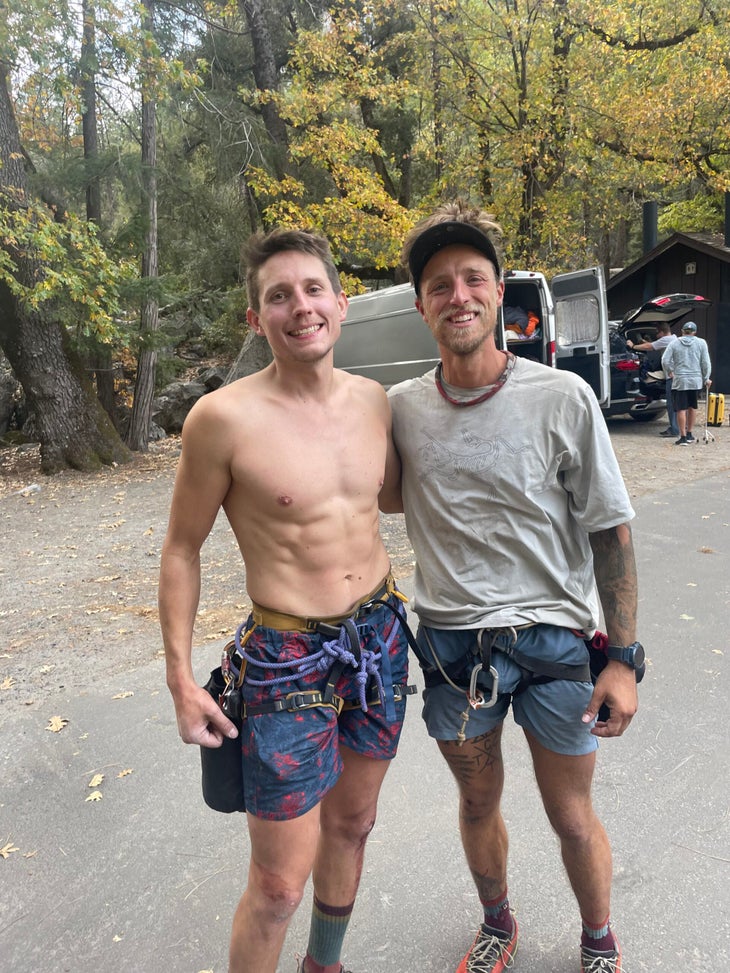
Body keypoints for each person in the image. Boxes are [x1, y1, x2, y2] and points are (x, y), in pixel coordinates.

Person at [380, 200, 641, 973]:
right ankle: (499, 921)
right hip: (454, 648)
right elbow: (362, 491)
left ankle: (599, 939)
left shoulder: (562, 397)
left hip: (556, 643)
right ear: (422, 304)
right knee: (476, 802)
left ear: (499, 294)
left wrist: (623, 657)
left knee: (569, 811)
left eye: (472, 279)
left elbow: (610, 531)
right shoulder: (397, 410)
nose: (456, 295)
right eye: (438, 284)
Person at [159, 228, 411, 973]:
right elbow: (181, 547)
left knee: (356, 824)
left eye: (311, 289)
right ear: (255, 318)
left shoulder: (375, 403)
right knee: (275, 885)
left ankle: (323, 964)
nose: (299, 307)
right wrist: (179, 679)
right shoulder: (222, 419)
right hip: (286, 660)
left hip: (380, 638)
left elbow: (394, 499)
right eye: (278, 296)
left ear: (341, 300)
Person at [661, 320, 712, 446]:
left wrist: (670, 371)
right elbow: (706, 362)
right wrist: (706, 378)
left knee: (680, 409)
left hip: (680, 381)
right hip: (695, 381)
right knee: (692, 407)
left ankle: (683, 437)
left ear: (682, 331)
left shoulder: (674, 343)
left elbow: (665, 360)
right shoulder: (701, 343)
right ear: (694, 332)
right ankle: (690, 434)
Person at [626, 321, 678, 437]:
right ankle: (677, 428)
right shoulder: (674, 339)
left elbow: (650, 346)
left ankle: (675, 429)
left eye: (657, 333)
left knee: (672, 404)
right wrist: (644, 342)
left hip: (671, 376)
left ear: (662, 332)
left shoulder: (667, 339)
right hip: (676, 375)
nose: (656, 335)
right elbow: (652, 343)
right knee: (677, 403)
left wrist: (633, 346)